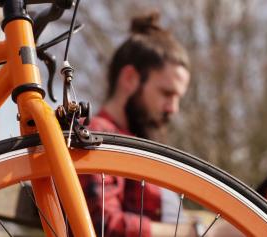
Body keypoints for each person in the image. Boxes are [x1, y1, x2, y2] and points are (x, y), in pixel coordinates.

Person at [79, 12, 194, 237]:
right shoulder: (96, 137)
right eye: (166, 93)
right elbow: (103, 226)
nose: (173, 108)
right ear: (130, 78)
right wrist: (197, 233)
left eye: (178, 98)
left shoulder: (132, 142)